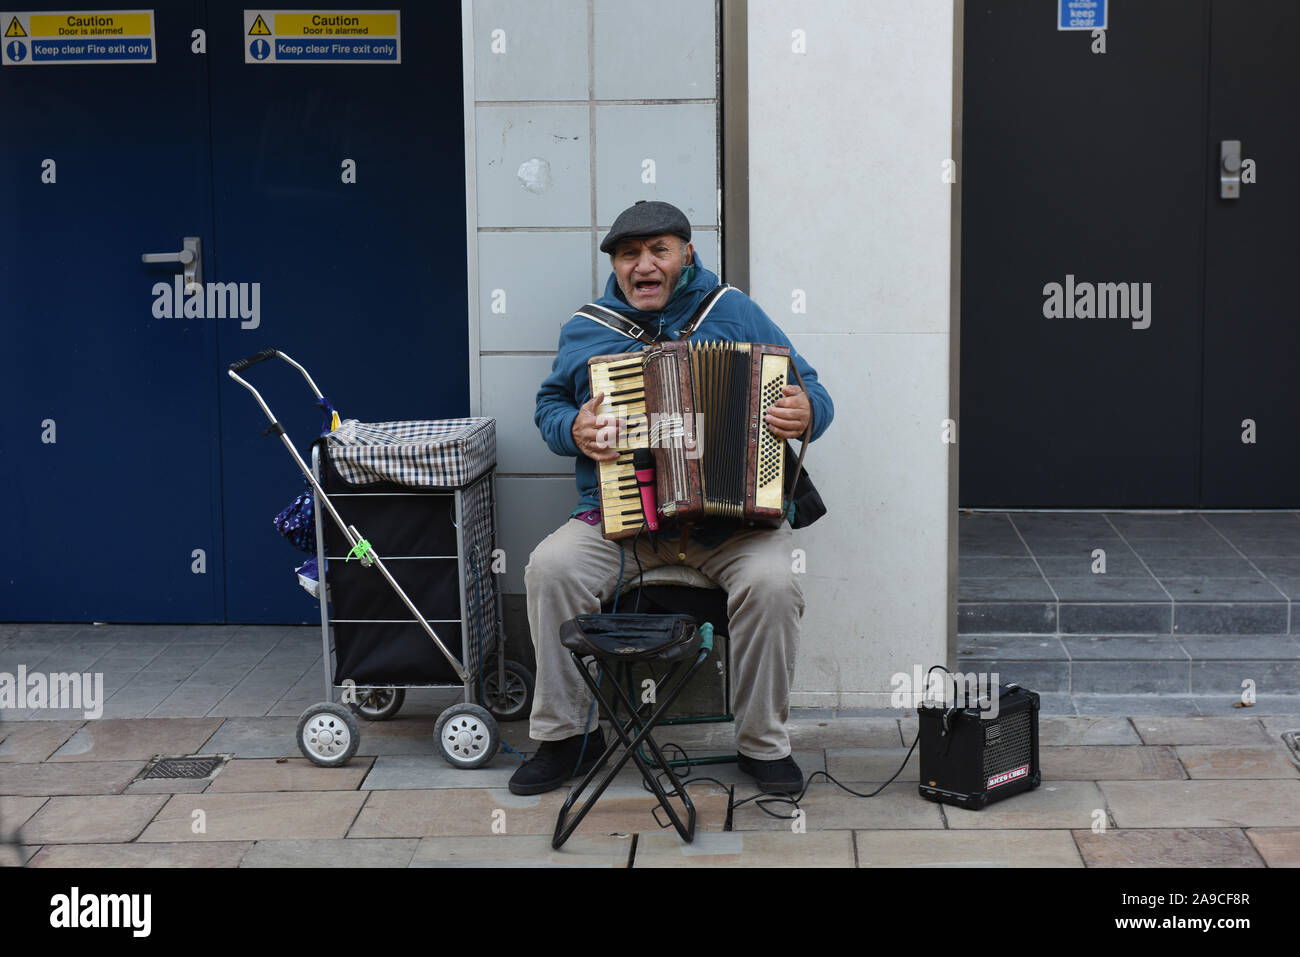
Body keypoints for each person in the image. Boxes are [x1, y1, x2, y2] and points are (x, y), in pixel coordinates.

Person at [510, 200, 834, 796]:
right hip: (624, 522)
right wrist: (572, 430)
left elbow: (809, 385)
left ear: (686, 254)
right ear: (615, 264)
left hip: (733, 527)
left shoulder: (733, 311)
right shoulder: (589, 327)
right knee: (550, 568)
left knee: (774, 584)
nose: (643, 265)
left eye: (658, 250)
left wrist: (808, 409)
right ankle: (565, 741)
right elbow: (549, 406)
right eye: (629, 254)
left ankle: (762, 745)